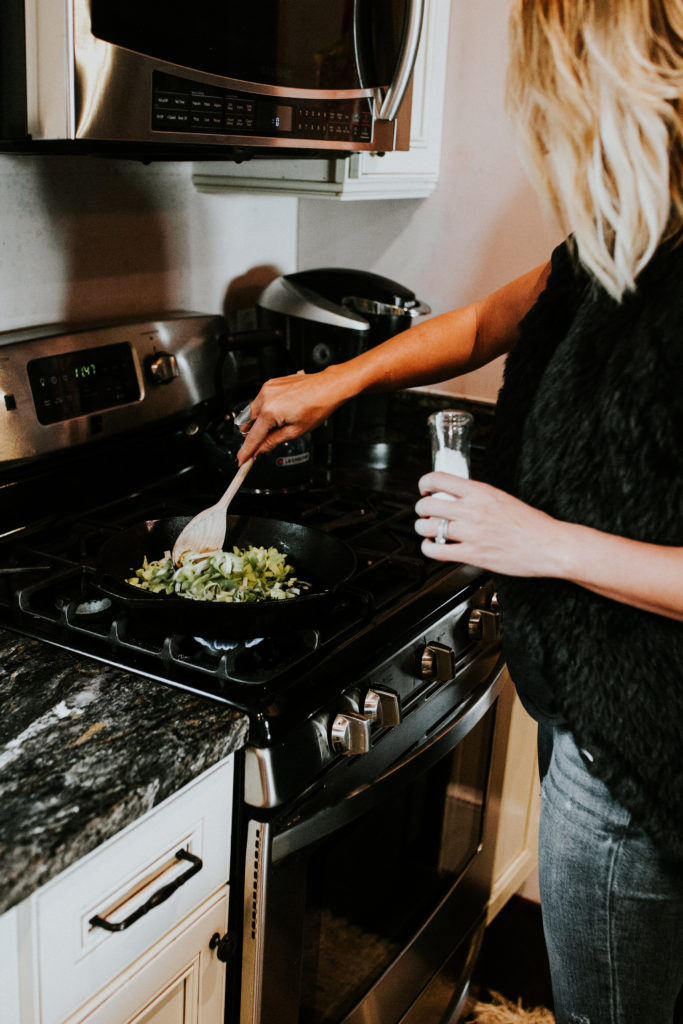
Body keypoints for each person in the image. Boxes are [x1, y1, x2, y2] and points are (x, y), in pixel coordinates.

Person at [236, 2, 683, 1021]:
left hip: (644, 754)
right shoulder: (638, 221)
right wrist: (335, 382)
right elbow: (491, 317)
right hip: (595, 701)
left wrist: (538, 540)